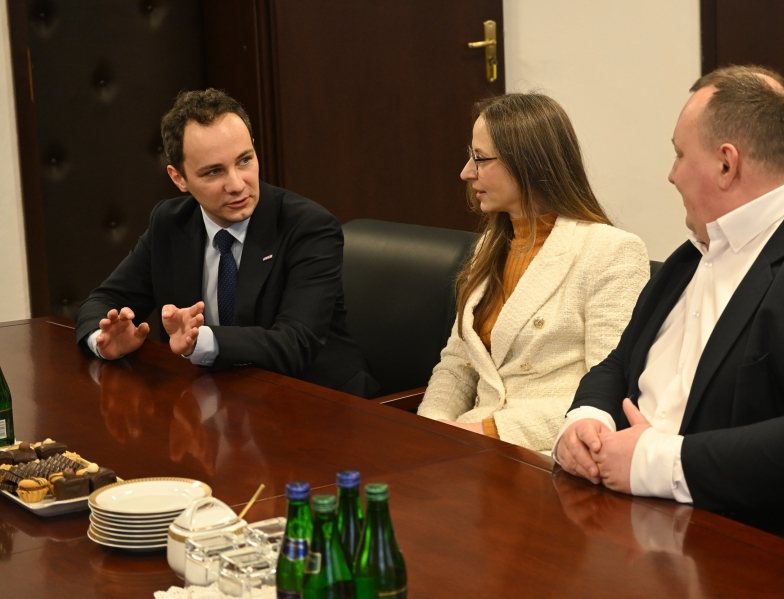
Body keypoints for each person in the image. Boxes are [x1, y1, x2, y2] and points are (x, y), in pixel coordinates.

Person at [553, 65, 784, 571]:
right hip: (621, 523)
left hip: (758, 551)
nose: (671, 174)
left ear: (725, 164)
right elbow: (620, 362)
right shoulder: (693, 253)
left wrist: (655, 462)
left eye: (679, 154)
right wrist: (587, 419)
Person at [75, 89, 378, 397]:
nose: (236, 185)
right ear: (179, 178)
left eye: (244, 160)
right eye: (214, 171)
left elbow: (295, 343)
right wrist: (102, 339)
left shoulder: (308, 226)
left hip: (319, 403)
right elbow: (105, 300)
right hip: (218, 401)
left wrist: (201, 340)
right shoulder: (170, 222)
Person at [417, 93, 649, 453]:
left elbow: (609, 389)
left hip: (547, 452)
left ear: (527, 162)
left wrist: (484, 431)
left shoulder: (611, 251)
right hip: (470, 444)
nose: (466, 172)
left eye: (479, 158)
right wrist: (428, 429)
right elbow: (457, 363)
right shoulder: (489, 245)